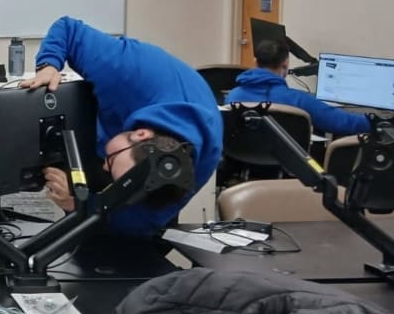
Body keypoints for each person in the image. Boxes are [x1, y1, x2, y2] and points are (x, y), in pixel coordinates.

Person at [21, 16, 223, 236]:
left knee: (138, 237)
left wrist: (77, 206)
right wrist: (48, 64)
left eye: (112, 164)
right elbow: (68, 29)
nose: (106, 168)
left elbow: (144, 221)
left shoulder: (197, 163)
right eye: (112, 163)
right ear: (141, 134)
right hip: (120, 105)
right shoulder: (126, 69)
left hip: (123, 138)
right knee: (88, 220)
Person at [226, 38, 370, 136]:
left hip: (241, 171)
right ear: (285, 64)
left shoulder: (232, 97)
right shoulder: (297, 101)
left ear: (255, 62)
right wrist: (376, 121)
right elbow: (342, 122)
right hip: (288, 173)